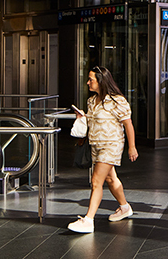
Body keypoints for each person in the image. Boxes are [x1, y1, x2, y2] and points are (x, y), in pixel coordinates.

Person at [67, 66, 138, 233]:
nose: (88, 82)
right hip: (96, 145)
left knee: (96, 181)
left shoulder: (117, 101)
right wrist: (83, 118)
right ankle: (125, 207)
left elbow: (128, 124)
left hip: (111, 145)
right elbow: (93, 122)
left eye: (91, 79)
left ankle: (88, 219)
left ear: (101, 81)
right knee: (111, 179)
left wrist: (132, 147)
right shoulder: (92, 101)